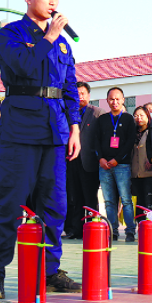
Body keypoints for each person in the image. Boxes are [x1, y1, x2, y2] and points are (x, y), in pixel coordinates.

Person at [0, 0, 82, 299]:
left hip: (55, 131)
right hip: (20, 130)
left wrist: (75, 127)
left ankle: (50, 271)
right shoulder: (10, 34)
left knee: (55, 204)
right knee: (10, 204)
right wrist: (47, 39)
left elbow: (69, 85)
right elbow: (24, 68)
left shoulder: (64, 43)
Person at [64, 81, 104, 239]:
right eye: (77, 94)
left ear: (89, 95)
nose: (80, 96)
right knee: (74, 196)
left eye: (83, 93)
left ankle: (92, 228)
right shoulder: (68, 113)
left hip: (89, 161)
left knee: (90, 196)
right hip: (71, 160)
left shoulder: (97, 113)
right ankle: (75, 229)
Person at [95, 87, 136, 241]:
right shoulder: (102, 119)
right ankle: (113, 230)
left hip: (122, 165)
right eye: (112, 99)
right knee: (109, 201)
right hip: (104, 166)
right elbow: (96, 141)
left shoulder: (128, 119)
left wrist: (117, 159)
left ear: (123, 100)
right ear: (107, 101)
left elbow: (129, 142)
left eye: (118, 99)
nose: (115, 102)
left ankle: (130, 230)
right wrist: (101, 159)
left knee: (126, 199)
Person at [131, 106, 152, 212]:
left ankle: (150, 225)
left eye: (141, 115)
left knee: (149, 200)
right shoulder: (132, 133)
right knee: (137, 202)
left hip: (148, 172)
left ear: (147, 116)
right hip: (135, 172)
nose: (138, 118)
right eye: (136, 116)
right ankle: (140, 224)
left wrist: (151, 159)